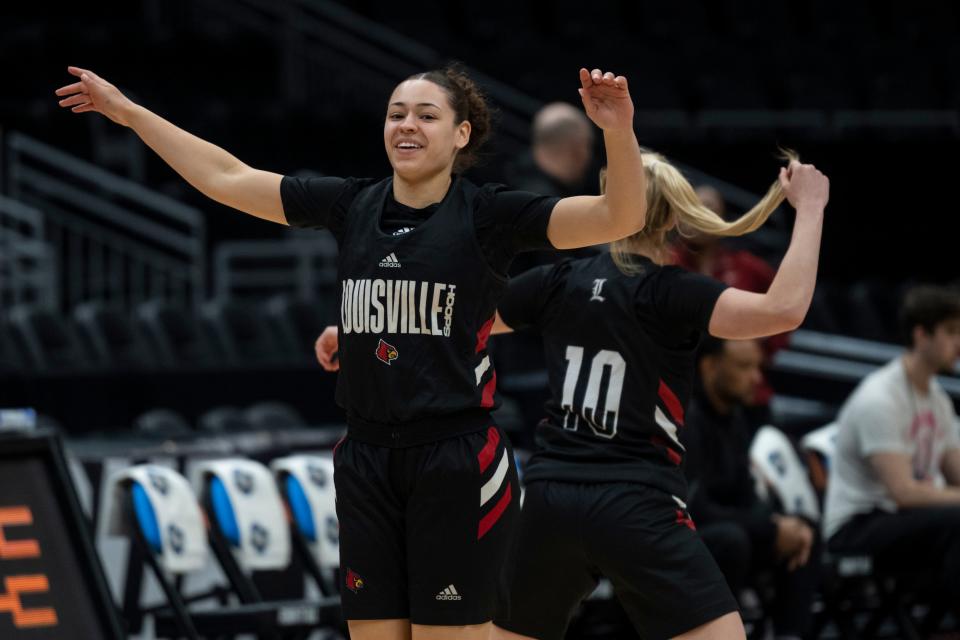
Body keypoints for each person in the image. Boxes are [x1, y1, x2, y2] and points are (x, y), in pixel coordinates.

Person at [57, 64, 648, 640]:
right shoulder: (351, 205)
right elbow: (227, 178)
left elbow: (619, 215)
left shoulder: (490, 213)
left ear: (461, 133)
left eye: (426, 114)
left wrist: (616, 131)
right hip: (366, 457)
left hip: (455, 459)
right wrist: (129, 113)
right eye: (395, 114)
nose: (406, 125)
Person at [315, 150, 829, 639]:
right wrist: (810, 208)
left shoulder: (558, 281)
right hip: (635, 498)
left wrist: (354, 331)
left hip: (549, 500)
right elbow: (783, 310)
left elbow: (447, 318)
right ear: (674, 221)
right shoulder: (672, 291)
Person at [823, 285, 960, 620]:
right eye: (951, 332)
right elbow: (903, 493)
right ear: (921, 335)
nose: (959, 344)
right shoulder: (879, 397)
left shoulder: (938, 400)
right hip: (857, 525)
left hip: (898, 520)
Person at [685, 336, 819, 640]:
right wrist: (769, 528)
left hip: (729, 532)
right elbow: (694, 509)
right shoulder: (686, 420)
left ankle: (790, 634)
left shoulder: (734, 418)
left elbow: (746, 496)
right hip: (684, 538)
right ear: (709, 366)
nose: (756, 378)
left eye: (757, 367)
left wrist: (779, 524)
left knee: (803, 529)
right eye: (744, 367)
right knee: (731, 541)